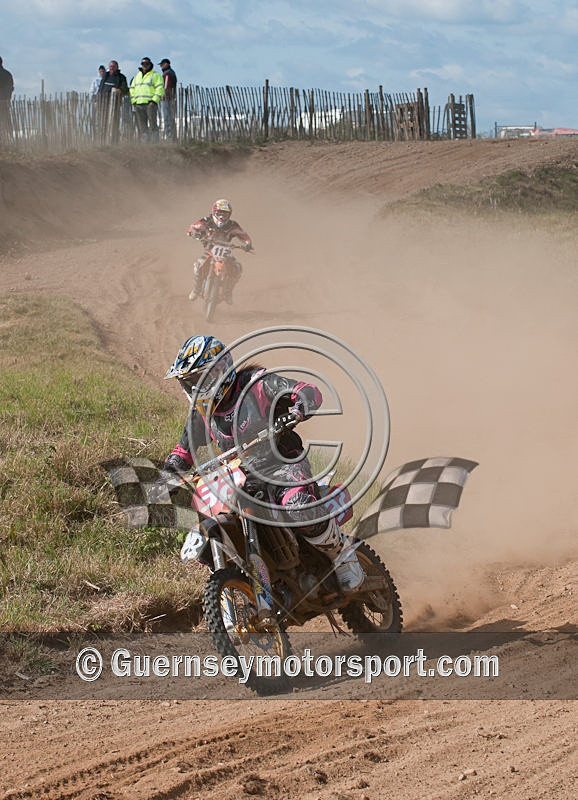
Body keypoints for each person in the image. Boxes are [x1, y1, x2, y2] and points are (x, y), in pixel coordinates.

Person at [162, 335, 365, 593]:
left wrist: (299, 406)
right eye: (189, 382)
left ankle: (342, 555)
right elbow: (183, 450)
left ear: (219, 372)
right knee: (216, 525)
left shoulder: (255, 385)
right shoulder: (202, 414)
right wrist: (167, 475)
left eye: (198, 380)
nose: (194, 388)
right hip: (242, 477)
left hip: (282, 464)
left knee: (298, 507)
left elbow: (306, 389)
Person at [187, 199, 252, 304]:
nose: (222, 217)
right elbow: (193, 227)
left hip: (227, 252)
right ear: (214, 212)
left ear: (229, 215)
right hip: (209, 250)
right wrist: (194, 233)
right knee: (198, 265)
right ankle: (196, 289)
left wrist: (247, 244)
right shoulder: (207, 221)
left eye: (225, 214)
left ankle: (228, 293)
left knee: (237, 268)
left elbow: (244, 235)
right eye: (219, 213)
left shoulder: (233, 225)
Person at [129, 57, 164, 142]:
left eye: (146, 63)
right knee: (142, 126)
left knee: (153, 125)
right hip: (138, 104)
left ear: (150, 64)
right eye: (143, 63)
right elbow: (132, 89)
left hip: (150, 104)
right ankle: (145, 145)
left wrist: (154, 101)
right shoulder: (137, 76)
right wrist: (134, 101)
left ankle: (154, 143)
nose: (144, 65)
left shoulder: (155, 75)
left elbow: (160, 89)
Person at [97, 61, 129, 143]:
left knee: (114, 123)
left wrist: (120, 90)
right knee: (103, 123)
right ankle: (102, 141)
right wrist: (97, 100)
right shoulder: (105, 76)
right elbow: (100, 89)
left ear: (117, 67)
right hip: (103, 103)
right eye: (110, 66)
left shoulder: (121, 77)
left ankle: (114, 141)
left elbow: (125, 89)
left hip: (115, 104)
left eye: (113, 66)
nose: (112, 68)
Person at [158, 58, 177, 141]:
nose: (161, 66)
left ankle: (169, 137)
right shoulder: (170, 73)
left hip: (167, 98)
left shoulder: (167, 74)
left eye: (162, 64)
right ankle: (171, 136)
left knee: (167, 117)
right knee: (169, 117)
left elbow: (166, 86)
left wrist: (164, 94)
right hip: (170, 97)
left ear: (167, 64)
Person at [0, 57, 14, 139]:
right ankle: (10, 139)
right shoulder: (8, 74)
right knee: (7, 122)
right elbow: (11, 88)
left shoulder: (7, 74)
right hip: (5, 102)